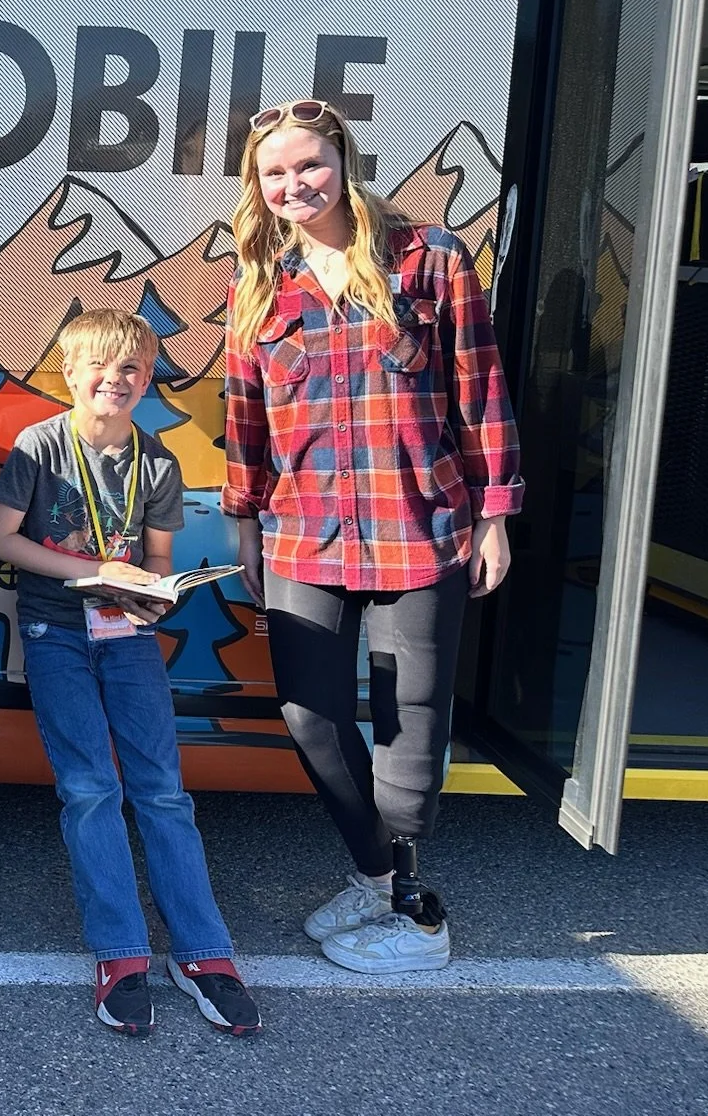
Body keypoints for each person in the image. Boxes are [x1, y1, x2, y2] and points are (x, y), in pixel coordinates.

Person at [223, 98, 519, 974]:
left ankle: (417, 917)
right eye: (275, 173)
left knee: (408, 726)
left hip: (419, 525)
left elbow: (481, 389)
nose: (295, 185)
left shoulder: (430, 257)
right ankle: (375, 876)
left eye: (309, 165)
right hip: (303, 530)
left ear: (343, 161)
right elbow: (245, 417)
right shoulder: (257, 285)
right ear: (257, 185)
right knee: (310, 714)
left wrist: (495, 514)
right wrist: (245, 520)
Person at [0, 309, 261, 1037]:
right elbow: (1, 538)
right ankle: (120, 952)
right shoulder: (40, 445)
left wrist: (154, 595)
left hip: (128, 633)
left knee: (163, 791)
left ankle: (203, 953)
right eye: (101, 366)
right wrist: (92, 570)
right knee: (89, 789)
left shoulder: (158, 460)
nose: (117, 379)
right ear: (70, 374)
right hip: (55, 632)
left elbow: (159, 560)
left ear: (147, 379)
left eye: (132, 368)